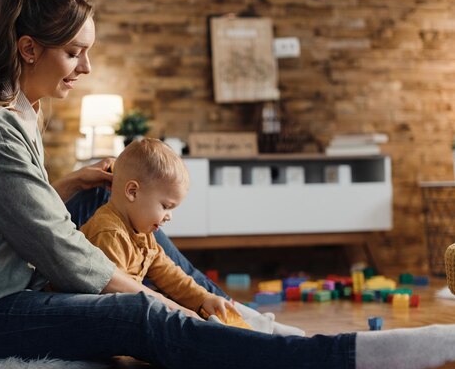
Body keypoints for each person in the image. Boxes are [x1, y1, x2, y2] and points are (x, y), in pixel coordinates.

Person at [0, 0, 455, 369]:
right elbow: (60, 252)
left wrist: (70, 182)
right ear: (28, 49)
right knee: (136, 316)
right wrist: (152, 300)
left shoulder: (16, 113)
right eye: (74, 52)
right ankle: (343, 360)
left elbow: (4, 211)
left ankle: (233, 315)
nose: (87, 66)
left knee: (108, 193)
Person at [79, 137, 301, 333]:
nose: (169, 216)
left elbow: (171, 275)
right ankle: (241, 332)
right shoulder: (109, 233)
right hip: (99, 318)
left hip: (129, 307)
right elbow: (119, 298)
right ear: (133, 192)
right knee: (174, 316)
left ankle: (249, 326)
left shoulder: (141, 232)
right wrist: (181, 310)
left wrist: (204, 298)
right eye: (166, 206)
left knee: (180, 300)